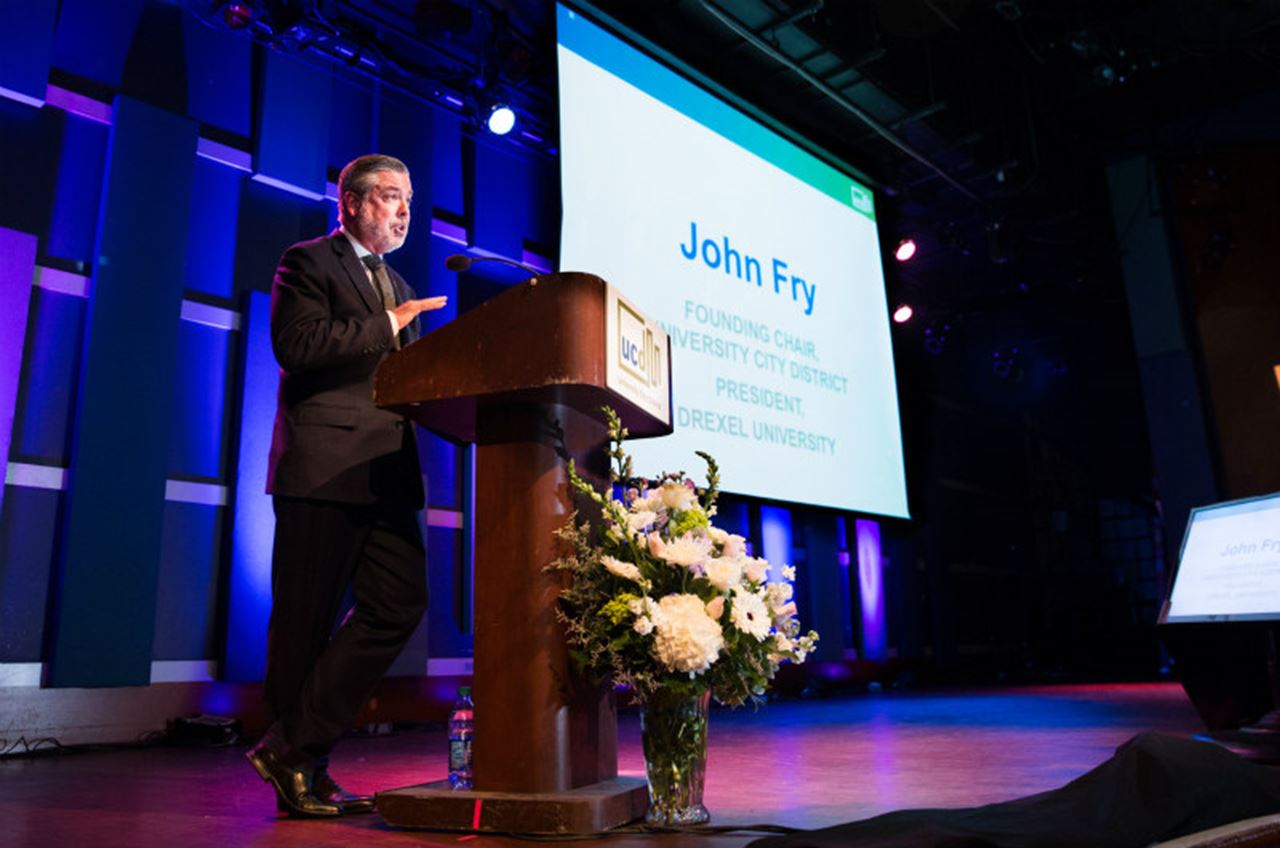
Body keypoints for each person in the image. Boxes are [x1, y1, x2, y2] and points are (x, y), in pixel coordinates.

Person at [246, 154, 448, 818]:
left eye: (409, 201)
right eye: (390, 196)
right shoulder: (308, 262)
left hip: (386, 473)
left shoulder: (400, 283)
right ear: (353, 204)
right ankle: (305, 768)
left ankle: (293, 747)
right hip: (323, 468)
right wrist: (388, 325)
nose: (403, 210)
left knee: (399, 603)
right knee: (302, 628)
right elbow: (297, 346)